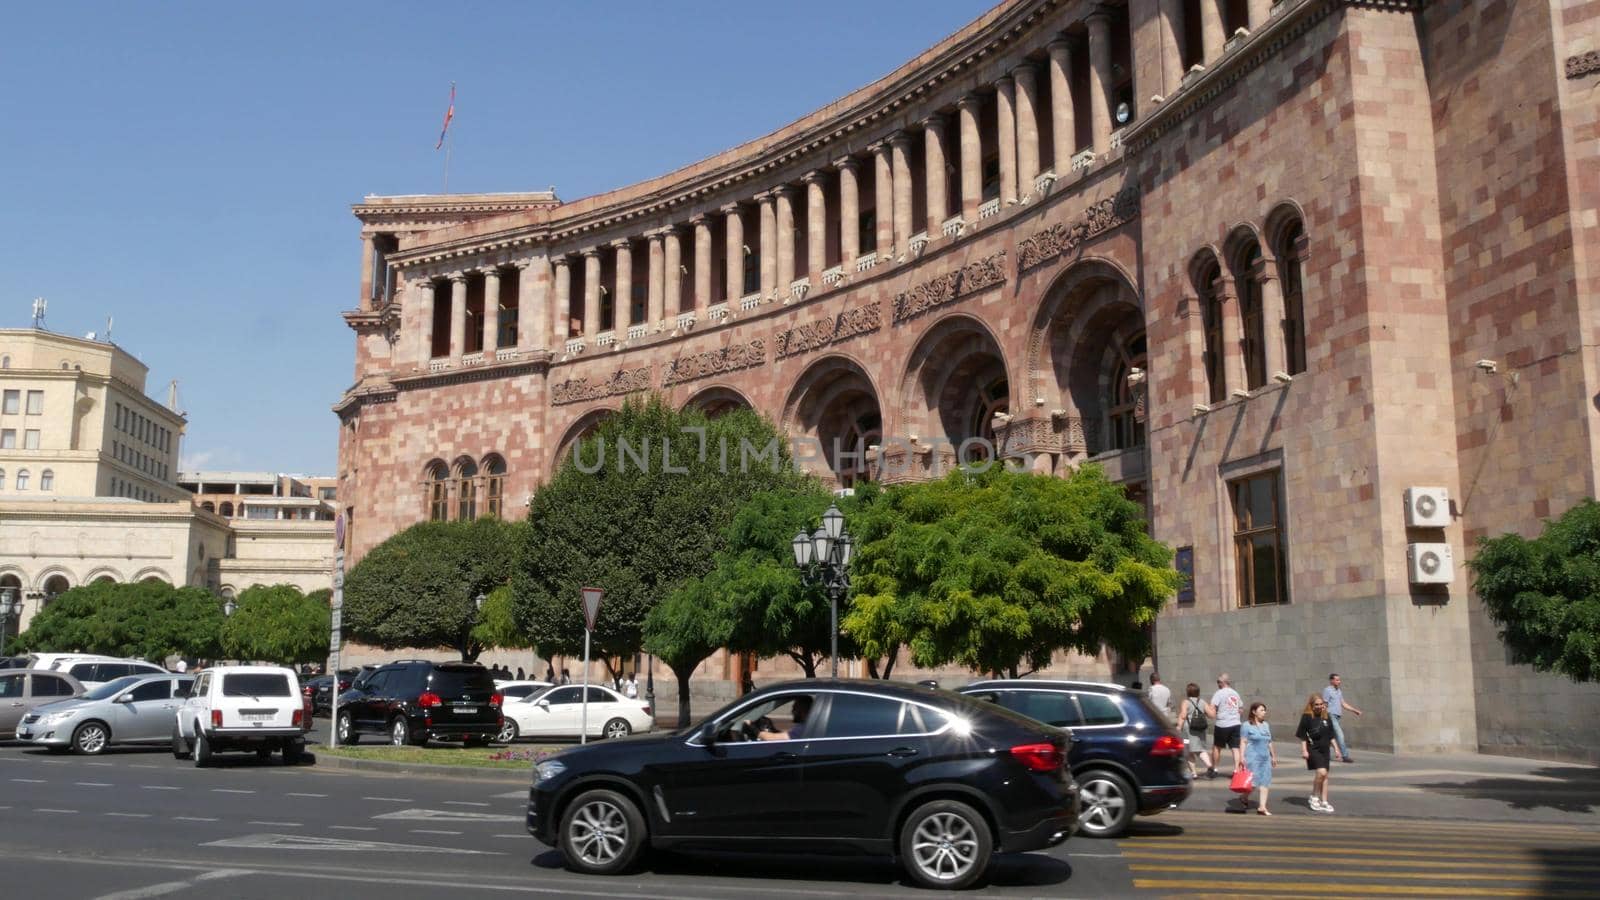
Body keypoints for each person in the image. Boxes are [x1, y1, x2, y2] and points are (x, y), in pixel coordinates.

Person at [1296, 693, 1336, 812]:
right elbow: (1302, 736)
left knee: (1325, 776)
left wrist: (1337, 749)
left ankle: (1324, 801)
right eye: (1316, 704)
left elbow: (1331, 735)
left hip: (1325, 749)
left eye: (1321, 704)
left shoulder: (1326, 716)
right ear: (1312, 705)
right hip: (1313, 748)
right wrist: (1304, 750)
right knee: (1321, 772)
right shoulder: (1307, 716)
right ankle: (1314, 796)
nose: (1319, 706)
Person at [1239, 701, 1278, 815]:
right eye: (1261, 710)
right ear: (1254, 712)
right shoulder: (1246, 725)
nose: (1264, 712)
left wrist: (1273, 756)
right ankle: (1243, 797)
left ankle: (1262, 807)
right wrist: (1241, 757)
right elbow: (1243, 741)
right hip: (1252, 758)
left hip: (1265, 758)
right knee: (1253, 783)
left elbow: (1269, 742)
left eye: (1264, 710)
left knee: (1265, 782)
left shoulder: (1266, 725)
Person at [1208, 673, 1244, 779]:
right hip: (1236, 724)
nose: (1217, 684)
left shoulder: (1219, 693)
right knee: (1235, 748)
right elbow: (1241, 709)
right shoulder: (1235, 693)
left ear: (1223, 682)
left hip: (1222, 724)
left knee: (1217, 747)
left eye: (1218, 682)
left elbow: (1212, 707)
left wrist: (1213, 714)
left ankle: (1215, 769)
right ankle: (1236, 770)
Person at [1321, 673, 1363, 762]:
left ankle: (1324, 754)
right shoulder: (1327, 690)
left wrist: (1355, 710)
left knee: (1329, 736)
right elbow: (1324, 704)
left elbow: (1343, 703)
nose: (1339, 682)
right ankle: (1345, 756)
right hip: (1330, 715)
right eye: (1337, 680)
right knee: (1340, 735)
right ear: (1331, 681)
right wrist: (1322, 716)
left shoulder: (1339, 691)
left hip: (1337, 717)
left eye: (1339, 680)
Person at [1178, 683, 1212, 779]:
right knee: (1201, 749)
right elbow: (1211, 715)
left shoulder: (1185, 702)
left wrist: (1178, 727)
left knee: (1189, 751)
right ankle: (1209, 765)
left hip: (1187, 731)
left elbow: (1183, 715)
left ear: (1188, 692)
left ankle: (1194, 773)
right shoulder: (1203, 702)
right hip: (1200, 730)